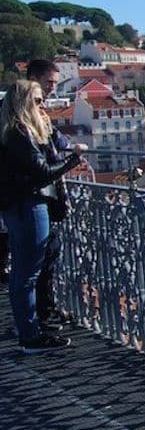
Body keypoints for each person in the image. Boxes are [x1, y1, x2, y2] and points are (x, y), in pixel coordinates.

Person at [0, 80, 86, 353]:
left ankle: (29, 330)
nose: (42, 105)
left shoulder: (11, 132)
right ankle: (30, 337)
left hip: (18, 205)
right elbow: (42, 172)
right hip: (29, 204)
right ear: (23, 102)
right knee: (27, 273)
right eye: (37, 101)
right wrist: (74, 160)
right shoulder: (18, 133)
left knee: (22, 273)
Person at [24, 59, 74, 329]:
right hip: (34, 195)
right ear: (33, 79)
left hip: (37, 195)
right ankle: (37, 321)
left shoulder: (33, 109)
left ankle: (42, 314)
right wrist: (73, 158)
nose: (53, 89)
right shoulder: (24, 111)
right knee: (38, 261)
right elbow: (53, 145)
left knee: (42, 259)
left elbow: (57, 140)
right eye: (49, 83)